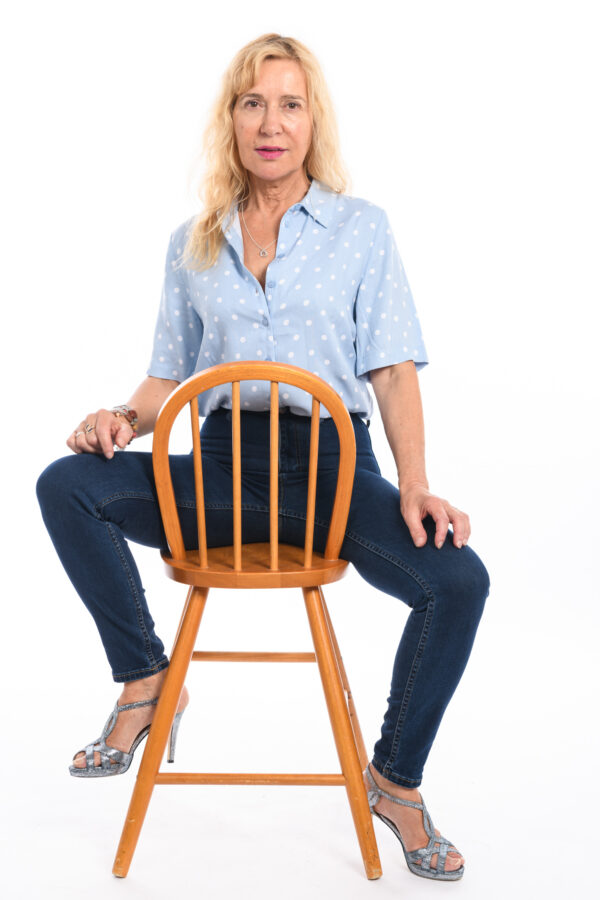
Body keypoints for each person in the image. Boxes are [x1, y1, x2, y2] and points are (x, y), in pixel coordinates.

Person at [37, 33, 490, 881]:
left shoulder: (362, 229)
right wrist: (117, 418)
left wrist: (416, 485)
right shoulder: (194, 239)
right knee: (65, 485)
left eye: (289, 103)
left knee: (459, 583)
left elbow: (392, 371)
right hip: (220, 473)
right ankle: (144, 682)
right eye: (253, 103)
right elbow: (166, 376)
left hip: (332, 475)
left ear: (312, 121)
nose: (270, 122)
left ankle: (394, 781)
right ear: (232, 120)